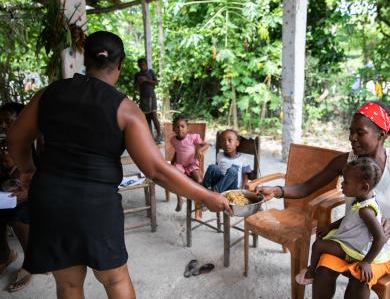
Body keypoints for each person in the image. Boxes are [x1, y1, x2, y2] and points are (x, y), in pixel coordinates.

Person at [8, 31, 231, 299]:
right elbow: (157, 170)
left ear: (85, 59)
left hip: (50, 198)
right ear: (121, 64)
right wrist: (206, 195)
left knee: (67, 284)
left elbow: (16, 138)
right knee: (115, 280)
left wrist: (29, 169)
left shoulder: (48, 95)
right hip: (96, 205)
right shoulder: (125, 109)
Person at [257, 101, 390, 299]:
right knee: (323, 268)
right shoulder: (346, 161)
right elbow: (306, 187)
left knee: (360, 279)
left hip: (388, 243)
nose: (351, 138)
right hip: (350, 236)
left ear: (381, 135)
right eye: (350, 131)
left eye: (360, 132)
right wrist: (277, 190)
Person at [296, 157, 390, 293]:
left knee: (318, 245)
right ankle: (313, 271)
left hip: (357, 250)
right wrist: (330, 226)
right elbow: (350, 217)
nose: (341, 185)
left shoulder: (366, 211)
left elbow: (380, 238)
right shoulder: (362, 198)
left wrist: (366, 262)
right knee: (323, 241)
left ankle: (311, 272)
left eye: (345, 182)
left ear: (364, 187)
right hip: (354, 241)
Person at [0, 102, 33, 292]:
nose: (4, 126)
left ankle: (31, 262)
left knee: (18, 212)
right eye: (1, 123)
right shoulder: (4, 143)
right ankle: (5, 255)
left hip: (37, 194)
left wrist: (27, 192)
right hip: (13, 193)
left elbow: (50, 173)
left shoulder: (38, 141)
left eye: (8, 121)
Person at [170, 114, 209, 212]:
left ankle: (203, 200)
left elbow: (206, 145)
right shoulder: (173, 140)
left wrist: (199, 150)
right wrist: (172, 161)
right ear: (173, 129)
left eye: (182, 126)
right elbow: (177, 151)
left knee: (199, 180)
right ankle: (180, 200)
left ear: (187, 128)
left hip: (192, 164)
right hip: (180, 165)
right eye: (177, 127)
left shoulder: (192, 137)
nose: (180, 129)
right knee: (175, 179)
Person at [134, 58, 161, 144]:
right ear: (138, 66)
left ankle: (159, 135)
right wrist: (138, 82)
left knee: (154, 115)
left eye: (144, 64)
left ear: (146, 64)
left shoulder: (150, 72)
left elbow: (156, 83)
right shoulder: (137, 75)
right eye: (140, 65)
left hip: (151, 96)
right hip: (143, 98)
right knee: (146, 118)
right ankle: (150, 137)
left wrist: (146, 80)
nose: (142, 66)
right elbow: (135, 88)